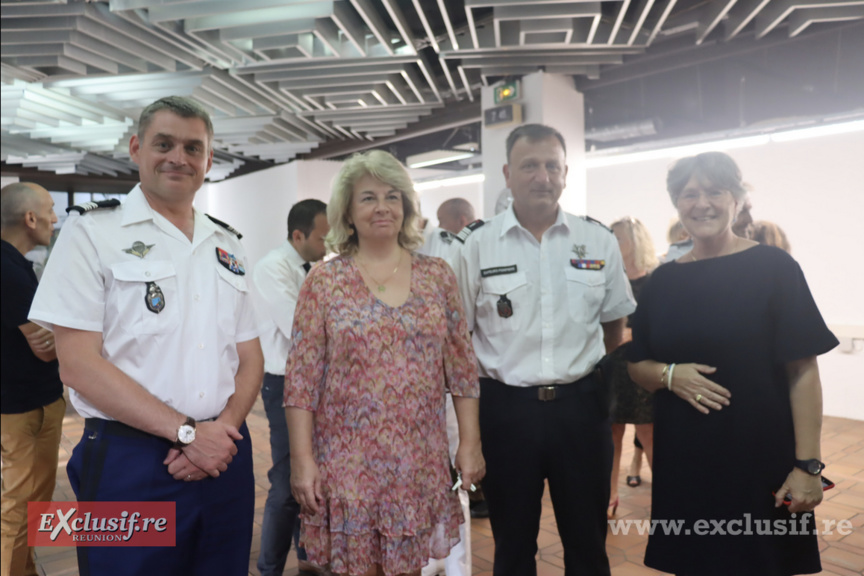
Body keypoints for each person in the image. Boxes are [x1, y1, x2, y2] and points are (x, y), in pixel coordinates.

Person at [29, 96, 264, 576]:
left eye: (193, 148)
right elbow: (77, 364)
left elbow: (250, 357)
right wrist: (186, 434)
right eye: (164, 143)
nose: (179, 156)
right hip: (127, 462)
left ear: (208, 161)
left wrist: (218, 434)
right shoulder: (91, 233)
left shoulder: (228, 243)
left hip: (223, 457)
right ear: (136, 148)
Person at [627, 151, 838, 575]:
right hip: (686, 460)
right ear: (677, 204)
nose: (701, 203)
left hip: (759, 458)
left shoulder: (774, 268)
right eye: (689, 194)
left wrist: (808, 466)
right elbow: (637, 364)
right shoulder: (662, 281)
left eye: (714, 191)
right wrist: (670, 375)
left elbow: (802, 372)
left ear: (737, 200)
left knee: (762, 564)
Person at [285, 150, 485, 576]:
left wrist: (469, 442)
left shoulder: (438, 277)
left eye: (393, 197)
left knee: (408, 570)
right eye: (368, 198)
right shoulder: (323, 282)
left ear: (407, 208)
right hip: (347, 462)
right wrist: (303, 460)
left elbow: (463, 372)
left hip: (418, 460)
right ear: (349, 213)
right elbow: (301, 382)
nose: (382, 207)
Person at [452, 124, 635, 576]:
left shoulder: (597, 240)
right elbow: (457, 343)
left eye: (552, 165)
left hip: (582, 410)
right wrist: (467, 436)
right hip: (506, 413)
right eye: (529, 165)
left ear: (566, 173)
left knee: (589, 544)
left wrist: (609, 401)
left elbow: (616, 327)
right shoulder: (476, 244)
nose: (542, 176)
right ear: (507, 174)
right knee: (513, 546)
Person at [252, 199, 330, 576]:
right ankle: (268, 569)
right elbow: (299, 329)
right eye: (322, 238)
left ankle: (307, 559)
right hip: (283, 384)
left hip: (313, 384)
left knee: (310, 480)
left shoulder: (311, 268)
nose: (327, 246)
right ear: (298, 235)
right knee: (285, 485)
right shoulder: (272, 269)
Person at [0, 182, 65, 576]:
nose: (55, 219)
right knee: (17, 507)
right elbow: (46, 346)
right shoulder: (7, 270)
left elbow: (48, 336)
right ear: (30, 218)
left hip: (37, 401)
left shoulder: (17, 264)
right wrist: (74, 333)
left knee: (33, 506)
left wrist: (58, 332)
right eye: (51, 209)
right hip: (21, 408)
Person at [418, 197, 476, 576]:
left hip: (440, 392)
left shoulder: (451, 249)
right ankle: (423, 564)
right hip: (394, 404)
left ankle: (454, 567)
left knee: (452, 485)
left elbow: (461, 335)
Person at [606, 216, 658, 517]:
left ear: (635, 242)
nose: (613, 244)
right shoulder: (609, 278)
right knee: (612, 432)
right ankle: (610, 493)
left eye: (619, 238)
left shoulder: (655, 280)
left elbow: (663, 328)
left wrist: (631, 333)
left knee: (649, 433)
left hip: (642, 367)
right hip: (612, 367)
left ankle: (666, 500)